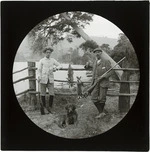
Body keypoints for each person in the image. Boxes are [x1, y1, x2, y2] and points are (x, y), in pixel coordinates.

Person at [85, 48, 111, 119]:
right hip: (95, 82)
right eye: (96, 52)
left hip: (104, 82)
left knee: (102, 98)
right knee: (93, 97)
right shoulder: (95, 62)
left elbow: (111, 72)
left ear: (101, 53)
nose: (97, 53)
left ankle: (101, 113)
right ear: (94, 54)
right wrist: (92, 83)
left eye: (99, 52)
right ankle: (101, 112)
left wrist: (103, 77)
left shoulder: (106, 61)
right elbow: (93, 73)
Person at [37, 47, 62, 115]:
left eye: (49, 52)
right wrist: (38, 77)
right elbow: (39, 70)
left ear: (51, 53)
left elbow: (60, 65)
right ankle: (44, 108)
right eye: (47, 52)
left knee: (51, 94)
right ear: (45, 53)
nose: (48, 54)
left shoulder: (53, 60)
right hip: (43, 79)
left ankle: (50, 108)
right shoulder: (41, 61)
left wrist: (55, 68)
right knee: (42, 94)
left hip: (50, 80)